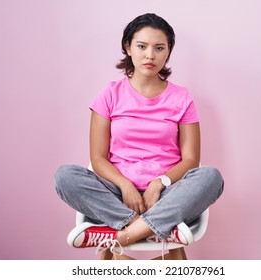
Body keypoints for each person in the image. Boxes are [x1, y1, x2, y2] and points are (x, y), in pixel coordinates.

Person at [55, 13, 224, 255]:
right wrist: (125, 186)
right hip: (116, 193)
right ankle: (153, 228)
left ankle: (122, 234)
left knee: (211, 177)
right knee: (65, 176)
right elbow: (98, 158)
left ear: (168, 52)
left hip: (167, 194)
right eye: (142, 46)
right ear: (128, 47)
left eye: (159, 48)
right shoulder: (109, 95)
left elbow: (190, 160)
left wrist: (159, 184)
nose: (150, 55)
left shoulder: (182, 98)